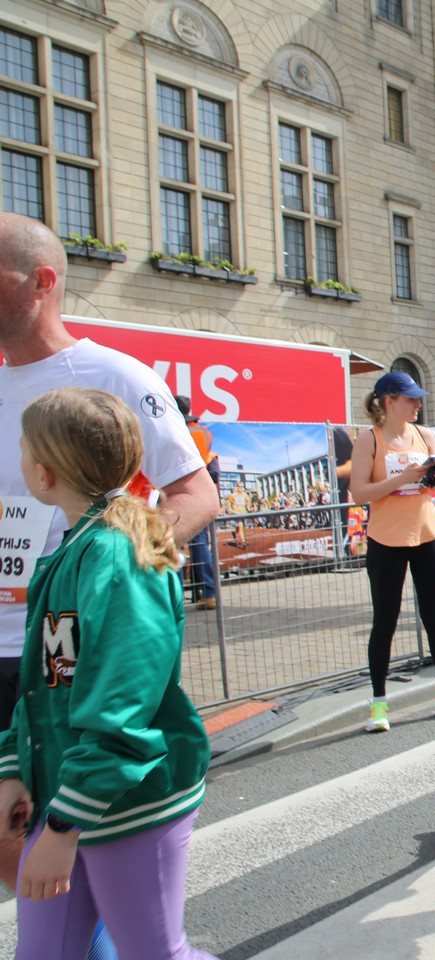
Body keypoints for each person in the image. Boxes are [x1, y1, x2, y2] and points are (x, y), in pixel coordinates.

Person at [0, 212, 218, 960]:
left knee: (145, 942)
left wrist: (123, 561)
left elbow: (194, 493)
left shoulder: (114, 380)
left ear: (40, 280)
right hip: (37, 676)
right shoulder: (72, 559)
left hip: (91, 696)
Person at [349, 370, 435, 733]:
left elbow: (434, 487)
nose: (417, 404)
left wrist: (433, 478)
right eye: (410, 398)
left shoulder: (424, 435)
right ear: (388, 401)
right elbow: (359, 492)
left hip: (426, 534)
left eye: (418, 398)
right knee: (385, 620)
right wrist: (404, 477)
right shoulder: (369, 439)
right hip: (386, 540)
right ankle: (379, 704)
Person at [175, 395, 220, 611]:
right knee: (200, 544)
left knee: (173, 544)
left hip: (178, 492)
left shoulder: (175, 430)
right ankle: (209, 593)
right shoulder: (203, 432)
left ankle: (175, 597)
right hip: (200, 491)